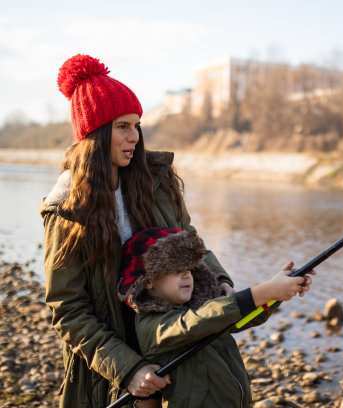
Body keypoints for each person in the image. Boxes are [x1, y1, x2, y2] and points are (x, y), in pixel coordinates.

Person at [40, 53, 314, 407]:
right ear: (94, 134)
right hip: (112, 365)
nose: (135, 136)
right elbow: (68, 310)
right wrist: (127, 369)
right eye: (122, 126)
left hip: (176, 338)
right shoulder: (66, 210)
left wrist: (220, 281)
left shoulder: (157, 182)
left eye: (137, 125)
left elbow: (191, 244)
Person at [118, 227, 312, 407]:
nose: (186, 276)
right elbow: (198, 322)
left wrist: (274, 295)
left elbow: (240, 319)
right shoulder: (152, 324)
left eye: (189, 269)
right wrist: (263, 291)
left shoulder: (198, 305)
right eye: (176, 271)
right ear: (149, 281)